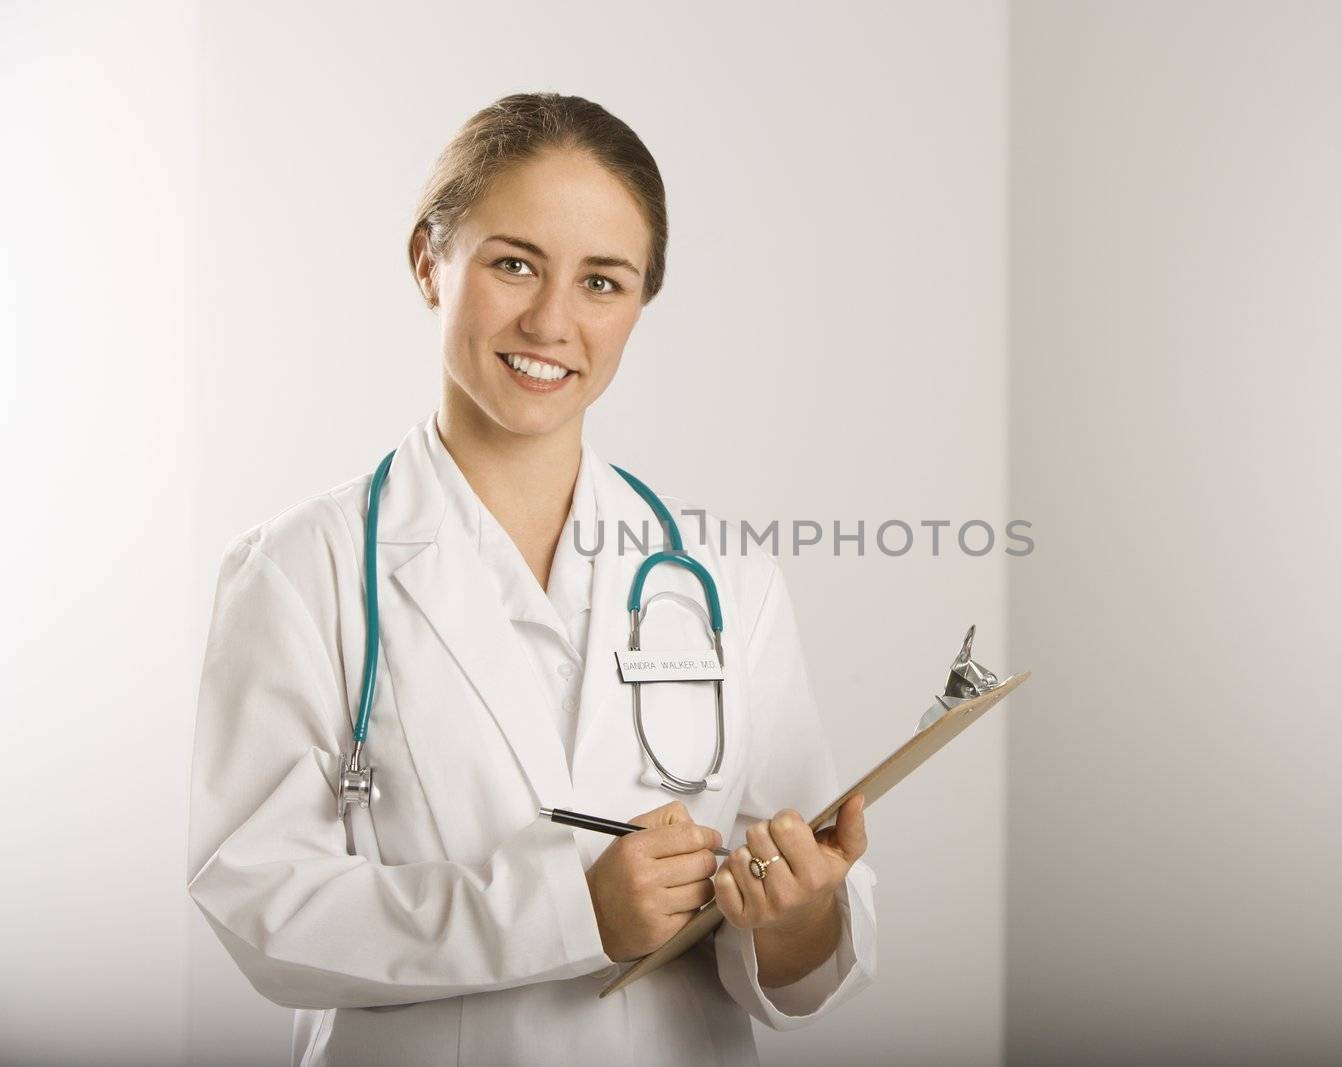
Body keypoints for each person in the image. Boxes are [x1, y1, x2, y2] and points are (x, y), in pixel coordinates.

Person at [186, 91, 878, 1066]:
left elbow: (803, 954)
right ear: (431, 262)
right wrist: (567, 908)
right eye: (513, 263)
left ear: (640, 301)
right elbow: (261, 905)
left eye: (602, 281)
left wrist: (796, 914)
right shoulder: (304, 569)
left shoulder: (728, 577)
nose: (552, 321)